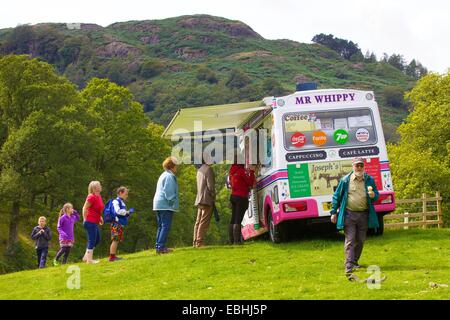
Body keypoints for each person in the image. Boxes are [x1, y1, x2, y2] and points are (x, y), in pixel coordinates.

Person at [330, 157, 380, 277]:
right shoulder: (345, 180)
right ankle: (349, 266)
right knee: (350, 240)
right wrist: (333, 212)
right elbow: (336, 196)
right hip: (349, 214)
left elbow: (376, 196)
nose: (359, 168)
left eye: (361, 165)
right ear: (352, 166)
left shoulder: (369, 179)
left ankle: (355, 261)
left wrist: (373, 195)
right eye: (356, 165)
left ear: (364, 167)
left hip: (364, 214)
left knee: (361, 240)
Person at [153, 156, 179, 254]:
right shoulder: (170, 176)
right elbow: (169, 192)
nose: (176, 168)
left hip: (158, 204)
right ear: (172, 166)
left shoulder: (163, 174)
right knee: (165, 226)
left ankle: (158, 246)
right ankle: (161, 248)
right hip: (165, 204)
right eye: (175, 166)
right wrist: (172, 202)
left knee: (161, 226)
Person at [228, 162, 256, 245]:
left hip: (233, 196)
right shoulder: (241, 171)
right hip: (241, 196)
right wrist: (252, 172)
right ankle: (237, 241)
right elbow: (250, 182)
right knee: (238, 219)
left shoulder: (232, 171)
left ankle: (231, 240)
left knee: (233, 218)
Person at [193, 154, 216, 248]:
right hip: (207, 199)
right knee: (204, 222)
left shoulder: (199, 170)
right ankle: (200, 242)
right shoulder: (208, 169)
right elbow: (210, 186)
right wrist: (213, 195)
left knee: (198, 221)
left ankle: (195, 241)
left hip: (199, 198)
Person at [109, 186, 134, 262]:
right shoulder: (116, 201)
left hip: (119, 223)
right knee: (115, 239)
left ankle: (114, 256)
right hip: (116, 223)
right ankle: (112, 257)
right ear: (120, 193)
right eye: (126, 194)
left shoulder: (121, 202)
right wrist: (127, 212)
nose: (127, 196)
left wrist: (127, 214)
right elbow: (117, 211)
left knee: (117, 240)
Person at [82, 181, 104, 264]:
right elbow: (84, 208)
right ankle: (89, 260)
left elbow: (96, 209)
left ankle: (86, 257)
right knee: (92, 240)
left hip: (95, 220)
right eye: (99, 185)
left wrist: (100, 217)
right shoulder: (91, 196)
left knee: (97, 239)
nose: (101, 186)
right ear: (95, 188)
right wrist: (85, 219)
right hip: (89, 221)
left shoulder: (98, 196)